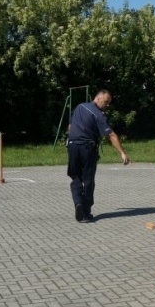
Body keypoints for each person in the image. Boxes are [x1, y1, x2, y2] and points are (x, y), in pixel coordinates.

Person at [66, 89, 129, 223]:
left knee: (75, 177)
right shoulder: (98, 115)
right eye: (106, 102)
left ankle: (78, 202)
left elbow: (70, 126)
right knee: (88, 180)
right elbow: (111, 135)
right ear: (98, 98)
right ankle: (86, 212)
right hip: (87, 148)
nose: (107, 105)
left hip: (72, 145)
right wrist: (122, 153)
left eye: (109, 102)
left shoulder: (79, 107)